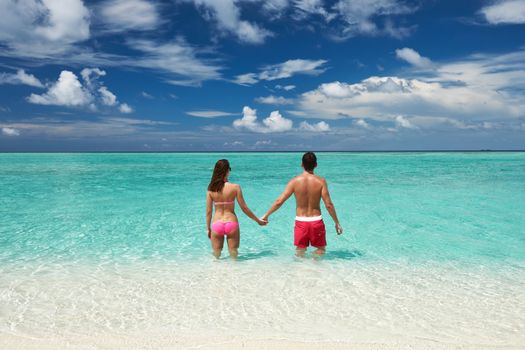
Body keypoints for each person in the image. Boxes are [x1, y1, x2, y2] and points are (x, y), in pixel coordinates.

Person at [262, 152, 343, 257]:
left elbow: (279, 201)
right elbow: (329, 204)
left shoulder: (294, 181)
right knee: (320, 249)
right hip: (316, 221)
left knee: (300, 250)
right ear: (316, 165)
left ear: (302, 164)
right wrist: (337, 222)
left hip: (301, 222)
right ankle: (316, 269)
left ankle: (300, 271)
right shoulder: (321, 181)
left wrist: (266, 215)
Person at [206, 159, 266, 259]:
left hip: (217, 224)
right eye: (229, 169)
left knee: (216, 256)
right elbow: (244, 208)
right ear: (226, 171)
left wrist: (208, 229)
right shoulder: (235, 187)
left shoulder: (211, 189)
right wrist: (257, 220)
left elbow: (208, 212)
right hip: (231, 223)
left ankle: (214, 274)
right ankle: (235, 274)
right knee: (234, 255)